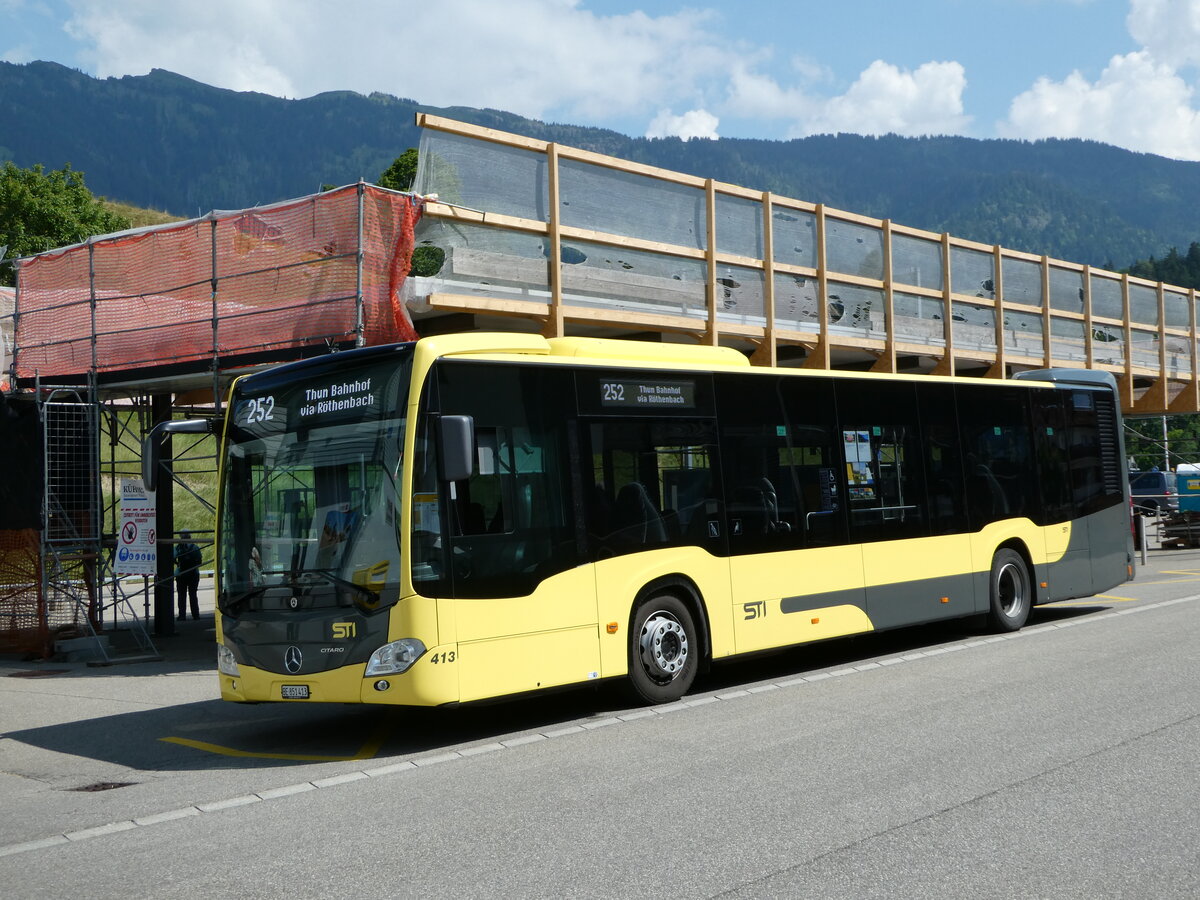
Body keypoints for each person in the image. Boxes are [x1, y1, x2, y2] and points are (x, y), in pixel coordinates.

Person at [174, 531, 202, 620]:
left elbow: (173, 557)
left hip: (181, 574)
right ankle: (196, 614)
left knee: (181, 595)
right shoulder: (195, 547)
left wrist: (178, 563)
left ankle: (182, 615)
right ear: (190, 537)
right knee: (193, 594)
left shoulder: (178, 548)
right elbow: (199, 561)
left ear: (180, 537)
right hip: (194, 573)